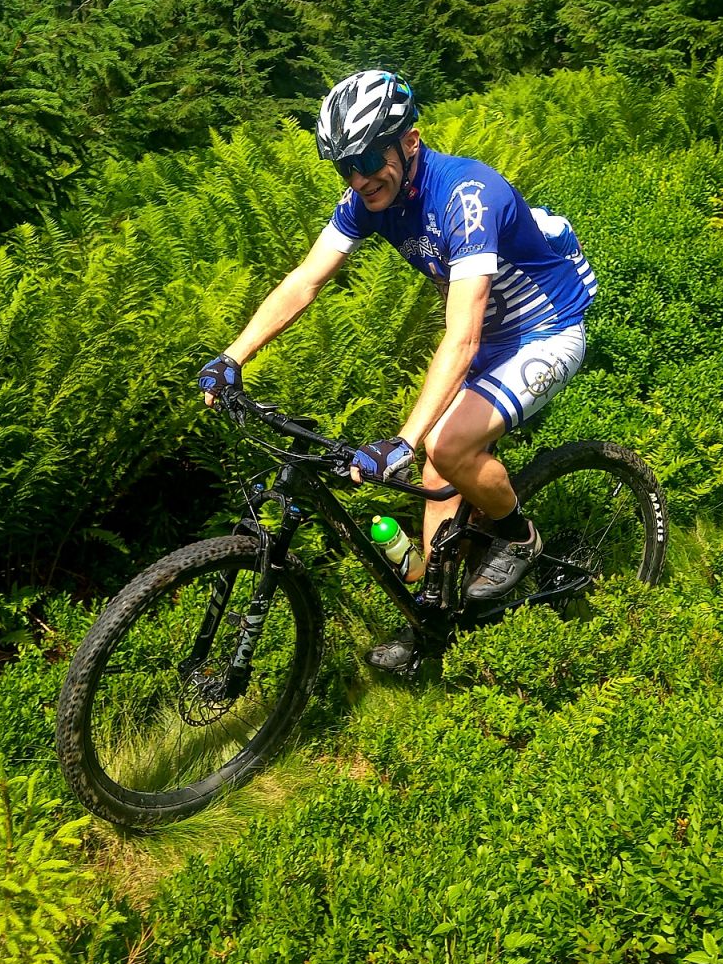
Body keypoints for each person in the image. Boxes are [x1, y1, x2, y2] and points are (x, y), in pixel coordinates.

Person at [198, 69, 597, 671]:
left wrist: (405, 441)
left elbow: (461, 337)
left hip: (545, 329)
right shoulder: (370, 200)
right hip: (486, 337)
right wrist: (233, 356)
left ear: (410, 142)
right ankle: (433, 619)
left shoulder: (466, 197)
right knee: (438, 474)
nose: (359, 178)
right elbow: (305, 281)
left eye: (367, 159)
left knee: (445, 446)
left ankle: (520, 538)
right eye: (345, 167)